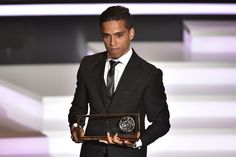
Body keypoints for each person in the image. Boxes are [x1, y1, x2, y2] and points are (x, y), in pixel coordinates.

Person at [68, 5, 170, 157]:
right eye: (106, 36)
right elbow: (78, 106)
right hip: (91, 152)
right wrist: (76, 126)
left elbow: (162, 122)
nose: (112, 42)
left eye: (119, 35)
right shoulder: (88, 65)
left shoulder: (149, 74)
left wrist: (137, 142)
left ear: (131, 33)